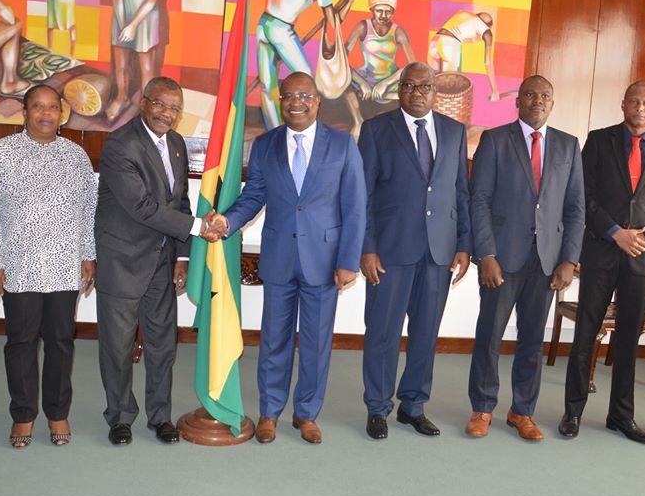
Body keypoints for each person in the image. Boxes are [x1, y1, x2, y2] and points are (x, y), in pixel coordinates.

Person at [207, 72, 366, 444]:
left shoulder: (343, 145)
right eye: (289, 96)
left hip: (324, 261)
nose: (296, 103)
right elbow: (254, 196)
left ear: (317, 101)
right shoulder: (265, 145)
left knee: (315, 342)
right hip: (279, 258)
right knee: (274, 339)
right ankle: (270, 412)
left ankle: (307, 414)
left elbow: (355, 207)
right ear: (281, 101)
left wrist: (348, 260)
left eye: (304, 96)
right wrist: (228, 220)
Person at [559, 81, 645, 444]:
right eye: (633, 101)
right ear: (623, 105)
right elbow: (582, 195)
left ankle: (621, 416)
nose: (639, 107)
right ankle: (573, 411)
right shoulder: (599, 140)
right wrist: (616, 232)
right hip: (602, 250)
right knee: (586, 333)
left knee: (629, 339)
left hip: (642, 258)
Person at [0, 85, 98, 448]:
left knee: (61, 342)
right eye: (37, 107)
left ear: (63, 114)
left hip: (63, 266)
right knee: (21, 342)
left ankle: (57, 412)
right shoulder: (1, 154)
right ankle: (23, 414)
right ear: (24, 112)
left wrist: (88, 254)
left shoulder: (76, 157)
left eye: (53, 108)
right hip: (18, 265)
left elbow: (88, 210)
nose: (45, 114)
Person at [95, 76, 213, 446]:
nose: (167, 113)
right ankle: (119, 417)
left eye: (175, 108)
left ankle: (159, 416)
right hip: (124, 261)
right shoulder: (120, 145)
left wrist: (181, 254)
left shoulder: (176, 144)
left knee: (163, 345)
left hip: (162, 261)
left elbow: (179, 201)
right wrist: (197, 228)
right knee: (117, 346)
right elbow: (143, 207)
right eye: (160, 104)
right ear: (144, 102)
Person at [466, 76, 585, 440]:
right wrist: (485, 253)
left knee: (533, 337)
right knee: (490, 334)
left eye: (545, 95)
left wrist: (570, 260)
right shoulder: (495, 139)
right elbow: (479, 200)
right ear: (518, 101)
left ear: (552, 103)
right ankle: (483, 407)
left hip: (546, 260)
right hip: (501, 257)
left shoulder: (568, 145)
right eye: (530, 94)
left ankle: (522, 411)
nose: (538, 100)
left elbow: (575, 207)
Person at [360, 61, 472, 439]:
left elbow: (461, 193)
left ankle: (413, 405)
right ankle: (378, 407)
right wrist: (368, 247)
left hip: (438, 252)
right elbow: (365, 195)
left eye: (424, 86)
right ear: (399, 90)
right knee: (383, 332)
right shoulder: (376, 130)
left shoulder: (455, 132)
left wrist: (464, 245)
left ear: (434, 91)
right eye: (409, 86)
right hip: (390, 250)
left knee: (426, 332)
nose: (417, 92)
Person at [256, 0, 355, 130]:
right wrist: (350, 0)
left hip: (263, 25)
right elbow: (333, 22)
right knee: (307, 83)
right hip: (281, 30)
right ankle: (307, 129)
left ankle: (274, 130)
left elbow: (297, 0)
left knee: (267, 86)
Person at [344, 0, 415, 137]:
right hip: (366, 76)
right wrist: (362, 82)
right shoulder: (362, 26)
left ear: (393, 12)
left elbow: (412, 64)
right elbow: (342, 59)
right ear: (372, 9)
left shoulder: (398, 31)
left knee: (408, 91)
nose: (383, 16)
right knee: (342, 82)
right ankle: (358, 122)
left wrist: (386, 83)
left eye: (388, 12)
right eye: (379, 11)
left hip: (390, 78)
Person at [427, 10, 500, 101]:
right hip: (449, 45)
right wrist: (495, 90)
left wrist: (473, 40)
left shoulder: (466, 15)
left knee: (435, 79)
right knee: (452, 86)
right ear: (490, 26)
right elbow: (488, 62)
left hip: (436, 41)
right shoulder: (487, 33)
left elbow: (457, 33)